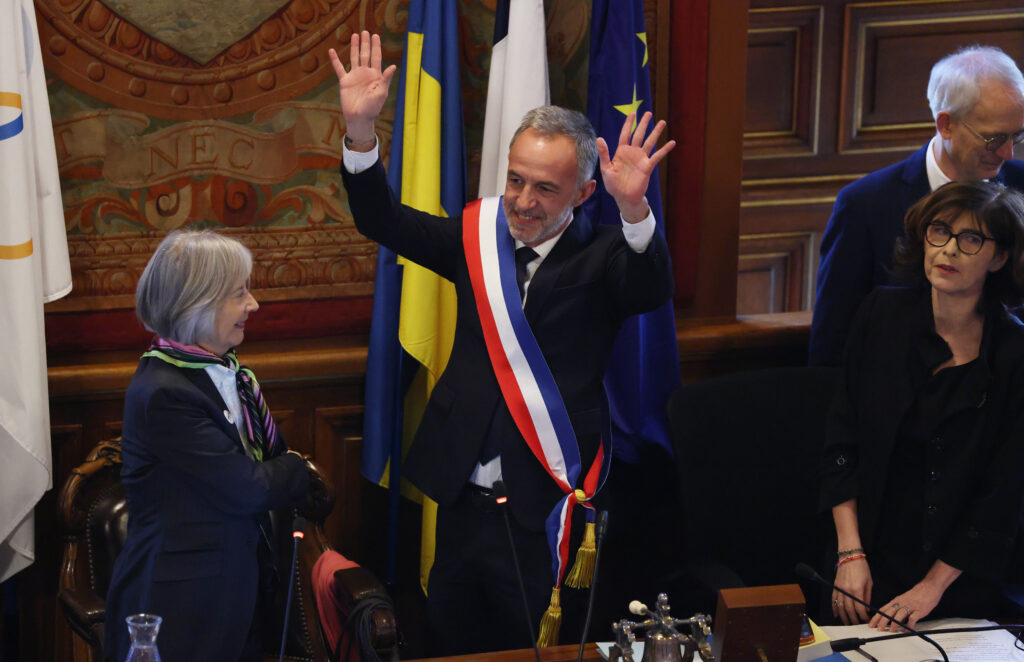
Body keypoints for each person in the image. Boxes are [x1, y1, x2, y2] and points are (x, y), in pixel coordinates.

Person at [330, 32, 675, 654]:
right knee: (448, 640)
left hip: (546, 505)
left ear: (584, 193)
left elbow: (649, 287)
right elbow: (382, 220)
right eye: (516, 180)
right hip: (463, 500)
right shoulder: (476, 240)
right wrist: (359, 134)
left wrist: (635, 213)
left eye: (545, 188)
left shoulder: (604, 258)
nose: (522, 201)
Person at [819, 180, 1024, 630]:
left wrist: (932, 587)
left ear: (1000, 257)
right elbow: (841, 440)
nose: (948, 250)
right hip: (863, 563)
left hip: (964, 576)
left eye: (971, 239)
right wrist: (850, 553)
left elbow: (1003, 493)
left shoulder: (1013, 352)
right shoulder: (880, 315)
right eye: (939, 231)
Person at [104, 230, 311, 662]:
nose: (252, 305)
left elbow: (264, 467)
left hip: (237, 591)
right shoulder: (164, 393)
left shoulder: (226, 374)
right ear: (198, 304)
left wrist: (282, 467)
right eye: (239, 294)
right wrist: (298, 466)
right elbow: (249, 487)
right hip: (181, 608)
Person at [810, 45, 1024, 366]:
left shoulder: (1021, 187)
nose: (1008, 153)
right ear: (946, 125)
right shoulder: (865, 205)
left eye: (1018, 136)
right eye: (993, 139)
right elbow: (833, 342)